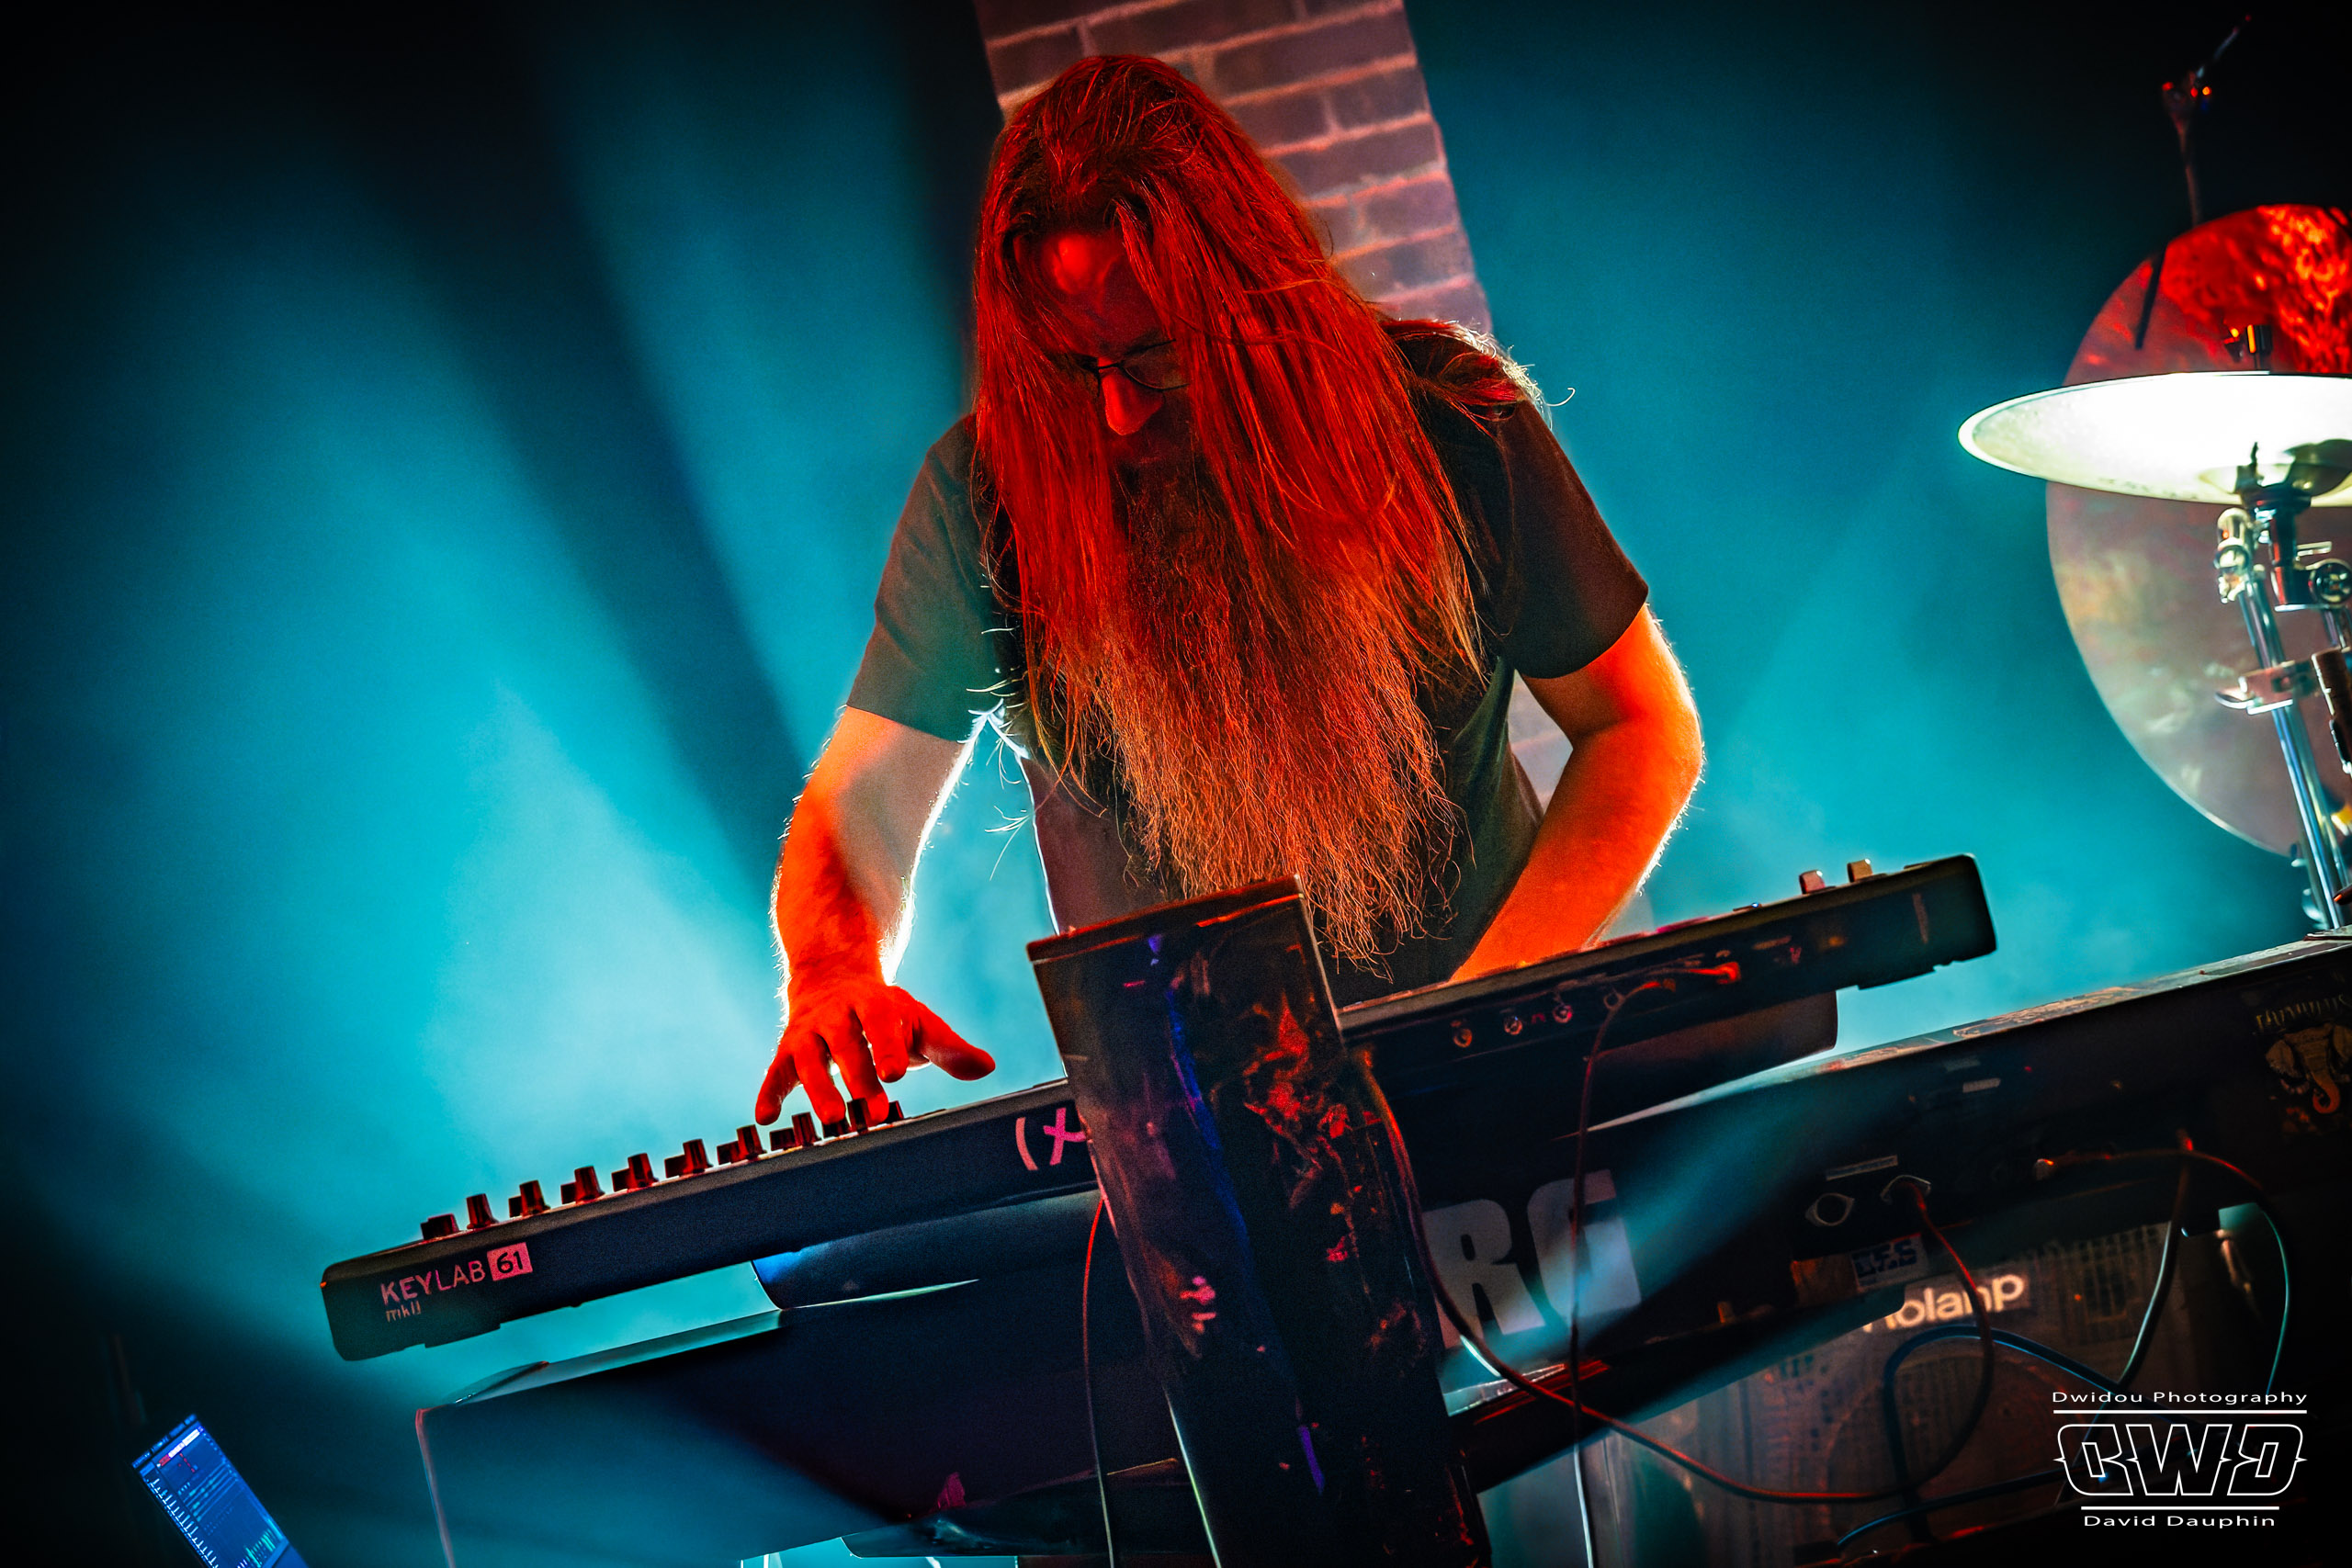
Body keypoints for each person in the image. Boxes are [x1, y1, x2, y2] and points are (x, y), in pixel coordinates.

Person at [755, 56, 1701, 1132]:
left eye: (1157, 355)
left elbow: (1637, 724)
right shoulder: (984, 498)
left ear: (1252, 290)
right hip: (1193, 1151)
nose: (1118, 415)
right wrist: (830, 971)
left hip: (1516, 1103)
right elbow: (860, 802)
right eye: (1072, 368)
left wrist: (1482, 1004)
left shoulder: (1449, 423)